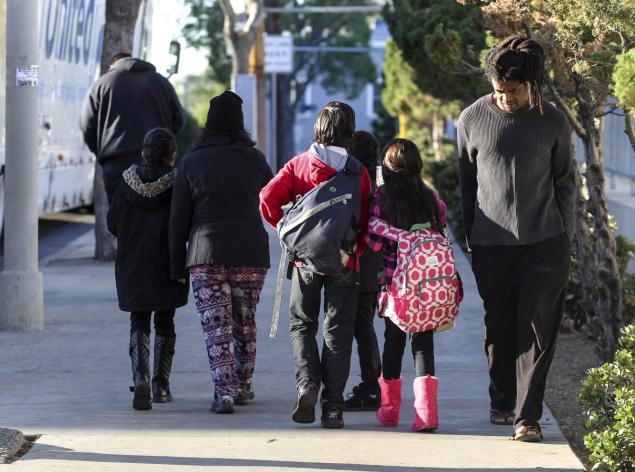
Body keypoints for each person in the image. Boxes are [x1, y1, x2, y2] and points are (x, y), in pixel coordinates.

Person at [457, 36, 575, 442]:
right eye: (499, 91)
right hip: (491, 245)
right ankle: (503, 400)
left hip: (545, 241)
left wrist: (566, 235)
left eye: (515, 91)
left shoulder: (553, 120)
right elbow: (466, 184)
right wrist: (471, 238)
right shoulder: (471, 119)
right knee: (500, 329)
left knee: (537, 332)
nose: (505, 98)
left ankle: (527, 417)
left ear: (532, 85)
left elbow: (565, 182)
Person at [260, 102, 372, 429]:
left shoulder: (299, 165)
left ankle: (307, 383)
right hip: (344, 259)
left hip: (305, 260)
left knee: (302, 323)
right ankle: (333, 407)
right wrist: (355, 250)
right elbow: (365, 219)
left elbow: (267, 199)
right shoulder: (357, 172)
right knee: (337, 331)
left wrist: (285, 231)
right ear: (349, 133)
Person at [169, 91, 273, 414]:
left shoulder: (192, 161)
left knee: (217, 325)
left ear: (208, 124)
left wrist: (176, 264)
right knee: (245, 320)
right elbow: (272, 199)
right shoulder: (254, 159)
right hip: (250, 251)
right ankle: (242, 384)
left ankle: (224, 391)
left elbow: (178, 220)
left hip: (205, 253)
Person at [365, 138, 447, 431]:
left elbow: (373, 243)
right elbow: (441, 227)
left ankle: (389, 411)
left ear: (386, 169)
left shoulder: (381, 198)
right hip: (426, 286)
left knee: (393, 344)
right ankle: (428, 415)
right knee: (424, 346)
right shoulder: (430, 198)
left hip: (395, 287)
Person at [106, 128, 189, 411]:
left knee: (139, 320)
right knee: (165, 320)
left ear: (144, 153)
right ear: (172, 156)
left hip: (133, 265)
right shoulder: (178, 184)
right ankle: (161, 385)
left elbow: (112, 224)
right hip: (167, 263)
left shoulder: (125, 184)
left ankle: (139, 377)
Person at [81, 52, 185, 202]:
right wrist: (160, 143)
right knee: (155, 218)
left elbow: (87, 126)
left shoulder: (102, 84)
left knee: (120, 220)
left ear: (113, 65)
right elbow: (179, 120)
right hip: (156, 163)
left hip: (115, 165)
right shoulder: (161, 83)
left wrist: (101, 153)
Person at [343, 131, 382, 411]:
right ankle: (373, 383)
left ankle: (370, 386)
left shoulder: (350, 183)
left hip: (350, 264)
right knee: (364, 325)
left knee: (350, 328)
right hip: (372, 267)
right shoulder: (381, 188)